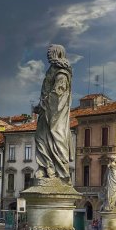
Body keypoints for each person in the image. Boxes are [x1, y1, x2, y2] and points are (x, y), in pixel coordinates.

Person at [34, 44, 73, 182]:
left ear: (57, 53)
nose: (48, 55)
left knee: (56, 136)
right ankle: (45, 166)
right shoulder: (52, 69)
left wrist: (43, 104)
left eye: (50, 53)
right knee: (40, 138)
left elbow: (58, 92)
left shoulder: (62, 72)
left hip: (56, 113)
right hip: (45, 111)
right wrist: (41, 107)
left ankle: (60, 170)